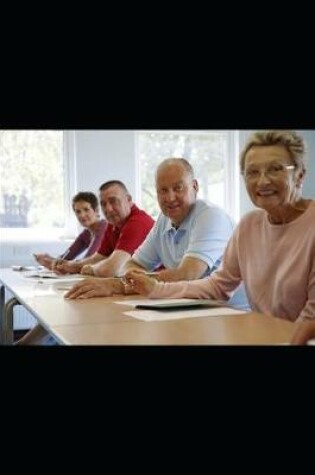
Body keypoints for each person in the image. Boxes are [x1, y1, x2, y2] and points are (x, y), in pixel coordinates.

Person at [122, 131, 315, 327]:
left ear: (299, 175)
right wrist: (155, 289)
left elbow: (312, 317)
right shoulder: (249, 225)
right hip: (263, 332)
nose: (263, 181)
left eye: (275, 169)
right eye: (252, 172)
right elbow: (219, 285)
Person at [65, 158, 248, 310]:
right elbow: (131, 264)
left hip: (229, 313)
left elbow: (186, 274)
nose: (170, 198)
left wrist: (119, 285)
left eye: (178, 188)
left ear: (194, 187)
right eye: (163, 190)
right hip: (184, 308)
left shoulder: (211, 215)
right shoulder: (164, 219)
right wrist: (135, 279)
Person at [17, 180, 154, 345]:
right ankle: (27, 343)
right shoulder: (112, 225)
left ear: (129, 199)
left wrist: (83, 267)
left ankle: (29, 342)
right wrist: (71, 265)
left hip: (147, 291)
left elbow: (108, 268)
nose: (108, 209)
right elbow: (97, 257)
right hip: (127, 286)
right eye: (104, 204)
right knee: (73, 297)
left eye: (113, 201)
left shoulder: (136, 222)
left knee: (76, 299)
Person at [33, 191, 107, 270]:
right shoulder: (86, 234)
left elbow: (88, 262)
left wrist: (53, 264)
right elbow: (66, 257)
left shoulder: (104, 228)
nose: (82, 215)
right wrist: (50, 259)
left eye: (86, 209)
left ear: (96, 210)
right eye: (78, 211)